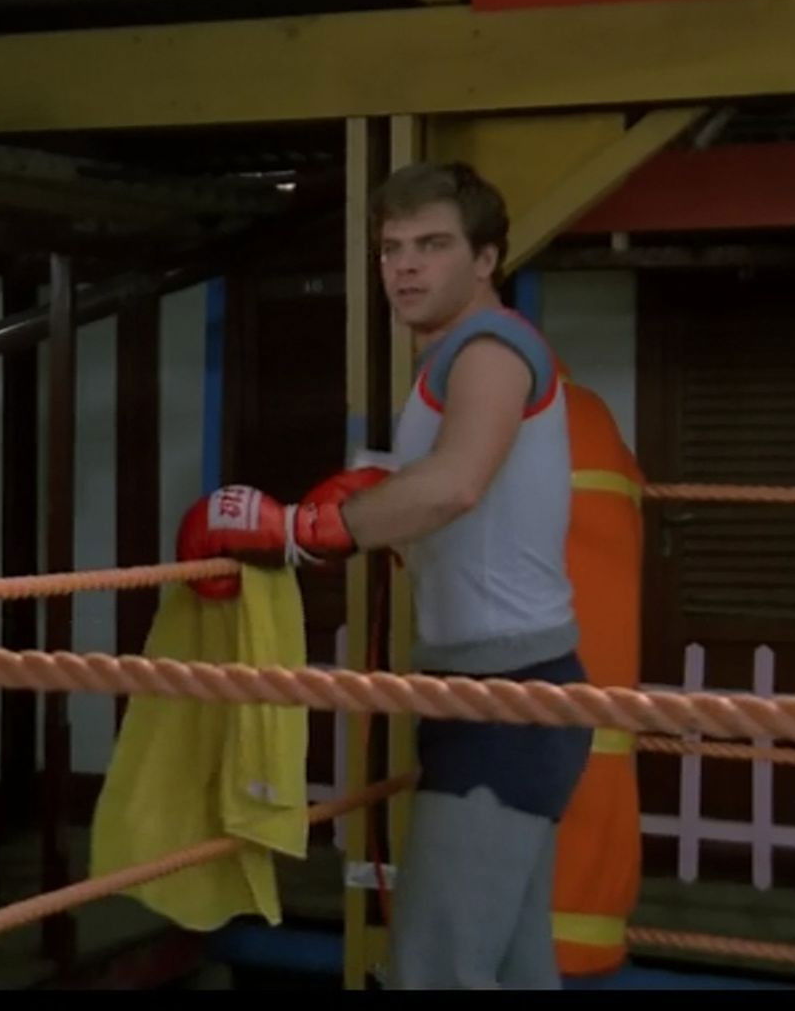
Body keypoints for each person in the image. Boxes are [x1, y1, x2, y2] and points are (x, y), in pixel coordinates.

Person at [178, 162, 589, 989]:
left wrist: (297, 533)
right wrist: (375, 498)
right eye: (392, 248)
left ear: (486, 259)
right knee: (512, 969)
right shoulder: (453, 358)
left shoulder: (489, 348)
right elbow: (459, 503)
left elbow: (456, 484)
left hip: (508, 696)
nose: (405, 266)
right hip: (499, 688)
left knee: (434, 971)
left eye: (432, 245)